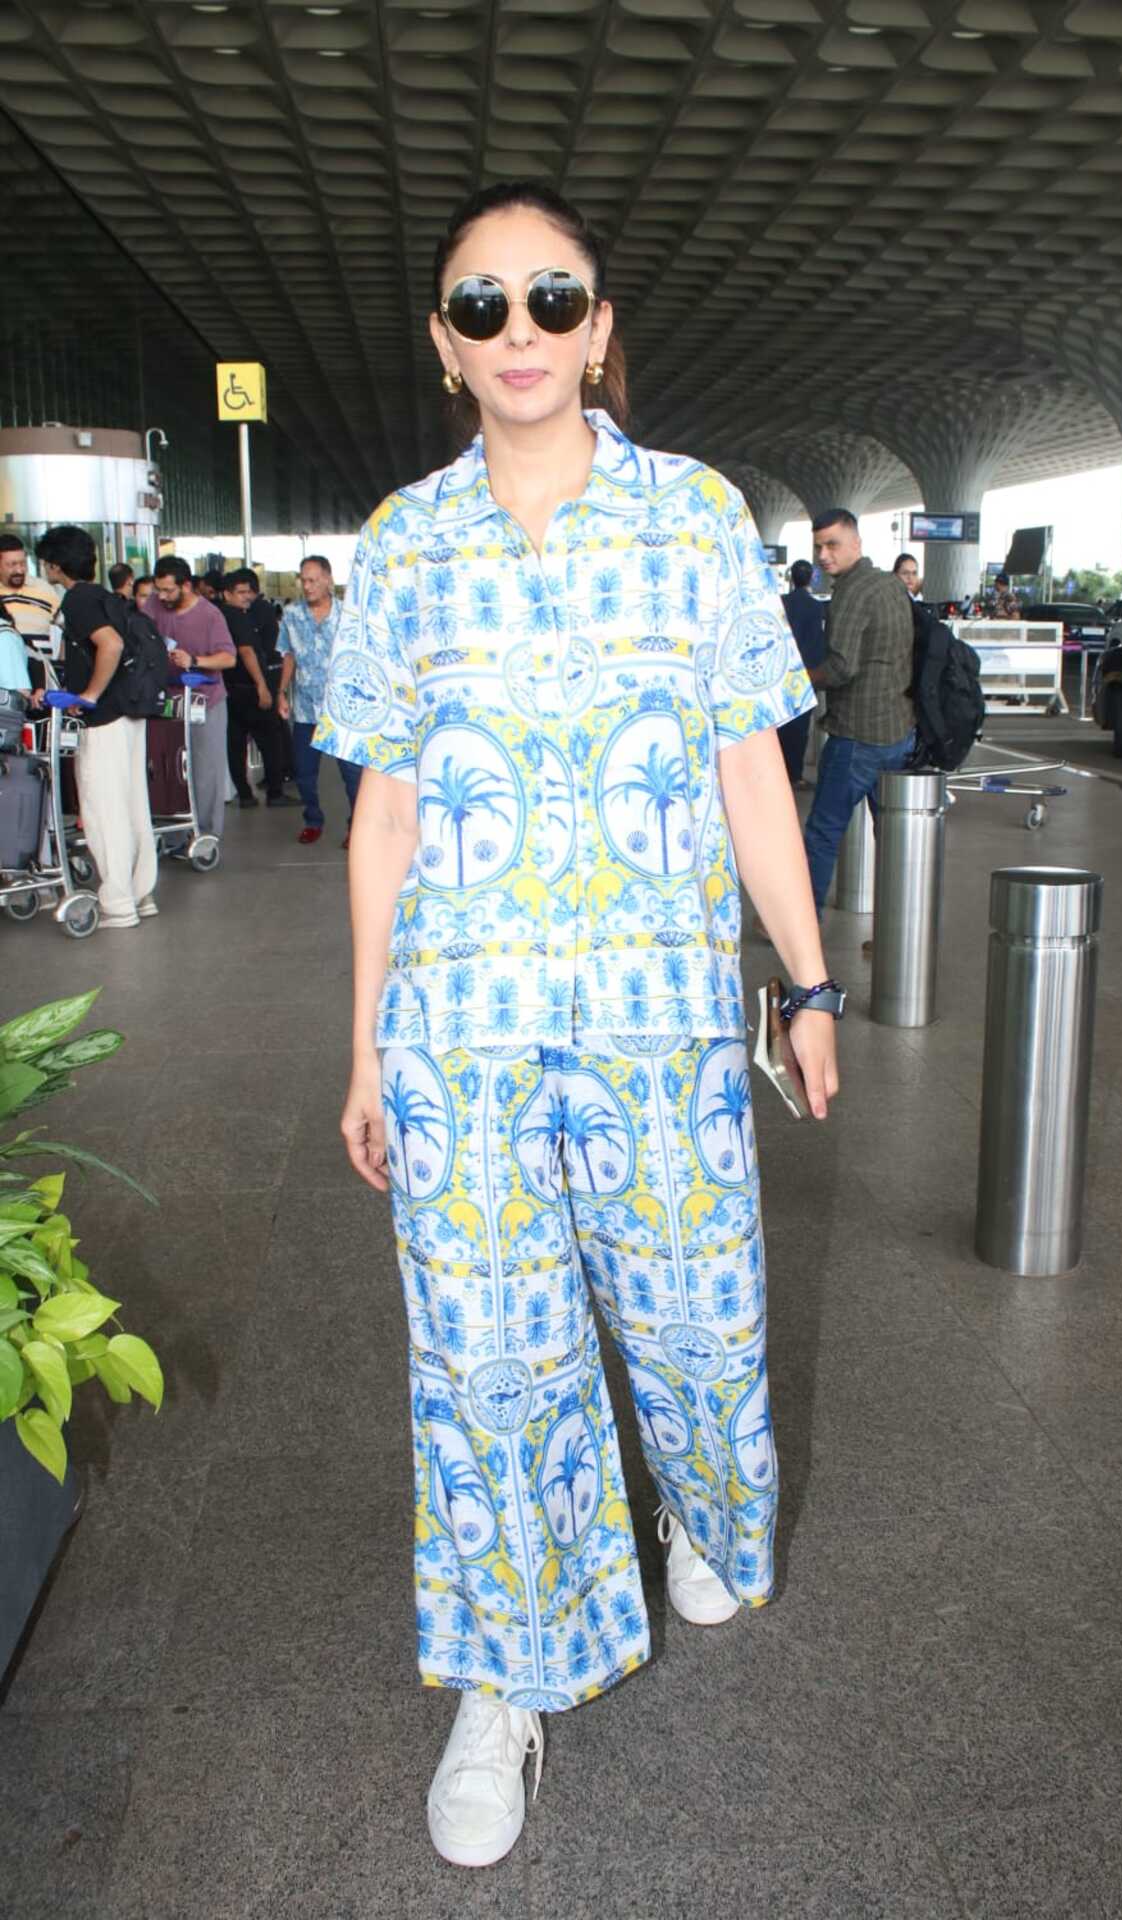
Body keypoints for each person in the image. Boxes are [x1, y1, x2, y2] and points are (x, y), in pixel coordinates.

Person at [313, 180, 842, 1872]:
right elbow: (382, 818)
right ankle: (503, 1679)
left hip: (662, 1022)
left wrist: (809, 981)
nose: (520, 332)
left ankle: (702, 1494)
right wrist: (360, 1046)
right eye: (483, 307)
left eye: (553, 300)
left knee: (694, 1322)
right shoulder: (403, 544)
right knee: (487, 1365)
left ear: (602, 328)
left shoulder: (691, 522)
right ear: (446, 348)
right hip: (460, 1036)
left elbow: (751, 765)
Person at [32, 525, 157, 929]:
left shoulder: (78, 600)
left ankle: (118, 904)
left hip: (103, 719)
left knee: (105, 809)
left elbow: (111, 645)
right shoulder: (106, 597)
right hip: (129, 714)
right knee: (133, 804)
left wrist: (88, 694)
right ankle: (142, 893)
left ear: (53, 565)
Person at [803, 507, 916, 916]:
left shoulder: (851, 592)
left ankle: (804, 918)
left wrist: (798, 678)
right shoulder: (891, 585)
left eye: (832, 545)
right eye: (818, 546)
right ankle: (895, 931)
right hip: (901, 730)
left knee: (823, 831)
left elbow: (840, 667)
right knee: (894, 839)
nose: (823, 555)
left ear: (856, 544)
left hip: (858, 734)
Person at [144, 557, 236, 846]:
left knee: (205, 771)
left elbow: (228, 657)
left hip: (205, 700)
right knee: (168, 769)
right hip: (167, 702)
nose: (162, 597)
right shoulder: (154, 607)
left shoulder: (210, 615)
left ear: (186, 586)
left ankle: (206, 834)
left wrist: (194, 661)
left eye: (169, 590)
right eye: (159, 590)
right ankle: (172, 834)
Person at [277, 554, 359, 847]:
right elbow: (288, 655)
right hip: (305, 710)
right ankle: (313, 820)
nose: (307, 586)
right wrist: (282, 692)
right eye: (303, 580)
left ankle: (356, 827)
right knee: (304, 773)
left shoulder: (348, 614)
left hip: (342, 709)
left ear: (327, 579)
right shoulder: (291, 615)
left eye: (312, 580)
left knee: (352, 775)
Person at [221, 567, 296, 810]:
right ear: (227, 594)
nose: (246, 597)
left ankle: (245, 794)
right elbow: (247, 651)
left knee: (236, 743)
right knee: (270, 740)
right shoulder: (238, 618)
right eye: (240, 592)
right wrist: (263, 687)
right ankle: (274, 792)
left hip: (229, 690)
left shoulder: (219, 615)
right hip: (249, 689)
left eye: (249, 592)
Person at [777, 557, 826, 787]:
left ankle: (777, 773)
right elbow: (817, 643)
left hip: (780, 673)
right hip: (804, 674)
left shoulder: (780, 603)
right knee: (799, 729)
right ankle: (794, 775)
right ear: (811, 579)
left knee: (779, 725)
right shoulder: (816, 607)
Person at [0, 534, 62, 646]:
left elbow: (63, 629)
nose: (19, 570)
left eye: (23, 563)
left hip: (45, 661)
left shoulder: (45, 589)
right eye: (12, 565)